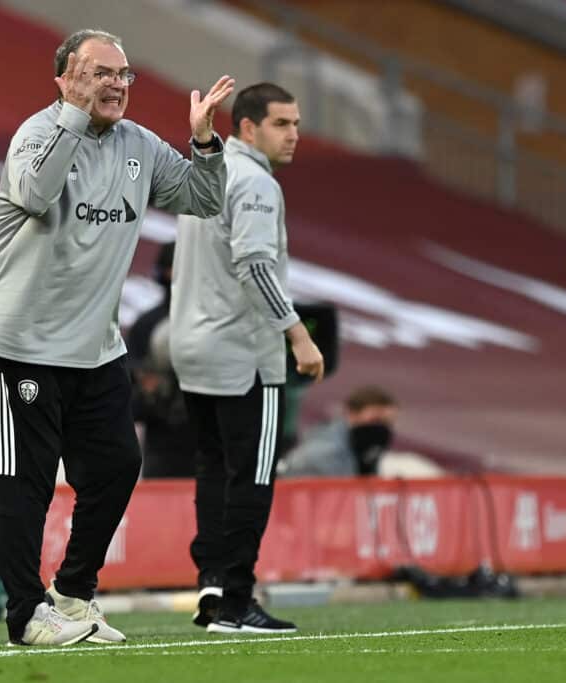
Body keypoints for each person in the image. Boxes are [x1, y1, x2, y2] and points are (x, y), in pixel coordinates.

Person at [0, 28, 234, 647]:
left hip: (94, 348)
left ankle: (75, 595)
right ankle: (27, 615)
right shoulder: (37, 134)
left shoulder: (139, 145)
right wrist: (73, 115)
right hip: (19, 344)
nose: (116, 84)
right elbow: (34, 195)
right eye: (99, 73)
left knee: (116, 466)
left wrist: (202, 141)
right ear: (63, 78)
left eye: (123, 74)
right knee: (24, 484)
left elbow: (204, 198)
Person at [169, 82, 324, 634]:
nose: (294, 135)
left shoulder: (207, 171)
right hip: (242, 353)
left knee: (213, 470)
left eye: (298, 124)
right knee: (252, 475)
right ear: (248, 127)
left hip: (191, 345)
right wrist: (298, 337)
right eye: (282, 124)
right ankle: (236, 600)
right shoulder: (256, 182)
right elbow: (255, 265)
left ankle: (212, 586)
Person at [128, 242, 196, 478]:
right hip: (163, 442)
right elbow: (131, 388)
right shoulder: (147, 325)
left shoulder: (147, 323)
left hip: (203, 441)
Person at [279, 385, 398, 477]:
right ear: (351, 413)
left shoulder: (365, 452)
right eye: (375, 419)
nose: (381, 427)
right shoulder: (319, 454)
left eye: (388, 421)